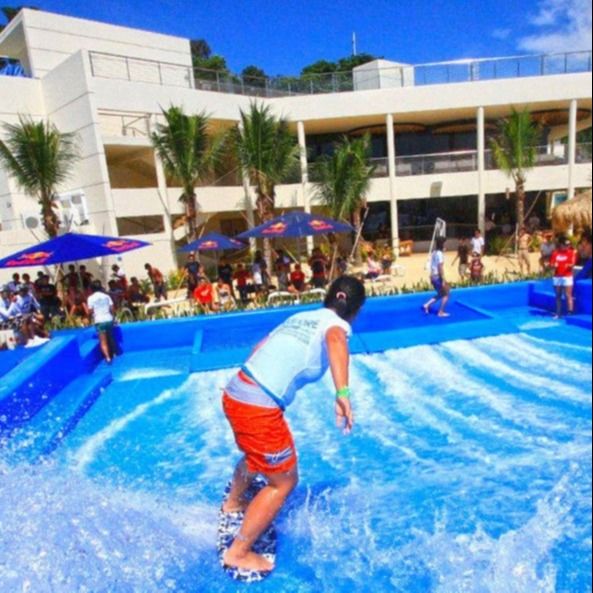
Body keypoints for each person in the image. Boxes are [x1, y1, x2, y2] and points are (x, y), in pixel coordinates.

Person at [221, 275, 366, 573]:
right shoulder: (336, 326)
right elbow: (336, 340)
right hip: (257, 407)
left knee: (256, 455)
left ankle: (233, 503)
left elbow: (258, 348)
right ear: (355, 310)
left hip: (236, 390)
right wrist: (342, 393)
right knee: (284, 481)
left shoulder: (301, 317)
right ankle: (238, 553)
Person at [87, 280, 116, 363]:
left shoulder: (90, 298)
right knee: (110, 337)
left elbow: (90, 311)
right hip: (109, 319)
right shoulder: (106, 296)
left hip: (99, 321)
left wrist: (89, 318)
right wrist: (113, 318)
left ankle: (108, 358)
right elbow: (112, 308)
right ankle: (114, 353)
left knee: (103, 342)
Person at [423, 236, 450, 318]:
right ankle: (440, 312)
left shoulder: (434, 252)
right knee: (446, 294)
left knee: (441, 293)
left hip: (432, 276)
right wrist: (443, 279)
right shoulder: (439, 254)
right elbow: (440, 267)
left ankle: (427, 305)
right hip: (437, 276)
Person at [550, 236, 577, 319]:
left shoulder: (571, 253)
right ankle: (558, 313)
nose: (567, 246)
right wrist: (553, 265)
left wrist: (569, 265)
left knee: (568, 295)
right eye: (566, 245)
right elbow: (551, 264)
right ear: (561, 245)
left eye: (568, 245)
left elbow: (573, 263)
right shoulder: (555, 253)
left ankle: (570, 312)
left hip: (567, 276)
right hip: (557, 277)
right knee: (558, 295)